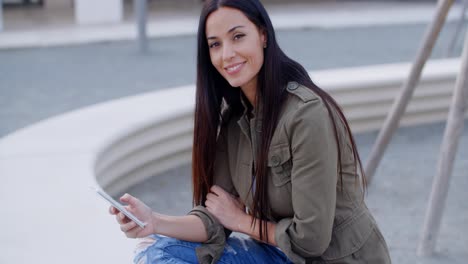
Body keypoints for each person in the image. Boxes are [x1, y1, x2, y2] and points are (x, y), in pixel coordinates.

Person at [109, 0, 392, 263]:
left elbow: (311, 240)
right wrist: (152, 221)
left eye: (238, 37)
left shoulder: (306, 115)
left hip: (336, 259)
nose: (227, 54)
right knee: (157, 250)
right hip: (281, 255)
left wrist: (241, 221)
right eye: (215, 44)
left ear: (263, 35)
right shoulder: (235, 121)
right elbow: (215, 217)